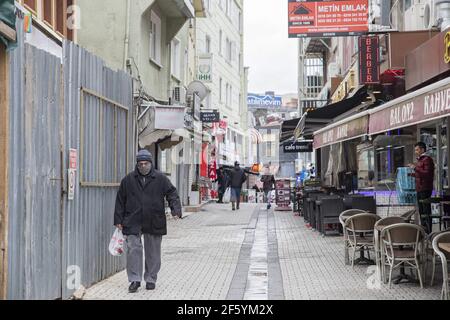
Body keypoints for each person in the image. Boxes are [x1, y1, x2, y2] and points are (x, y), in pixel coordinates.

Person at [114, 149, 182, 293]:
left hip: (154, 218)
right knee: (134, 249)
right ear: (137, 164)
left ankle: (151, 278)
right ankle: (135, 279)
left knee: (153, 251)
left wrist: (175, 209)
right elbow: (120, 200)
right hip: (133, 219)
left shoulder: (160, 178)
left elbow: (172, 193)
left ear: (151, 163)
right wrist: (118, 219)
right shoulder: (128, 180)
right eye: (140, 164)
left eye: (146, 163)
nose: (143, 166)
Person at [409, 142, 435, 234]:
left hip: (425, 188)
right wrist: (411, 174)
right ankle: (424, 231)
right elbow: (421, 174)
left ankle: (428, 231)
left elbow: (427, 174)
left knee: (426, 211)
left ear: (423, 149)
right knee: (421, 211)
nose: (416, 151)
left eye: (417, 149)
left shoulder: (427, 159)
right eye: (415, 150)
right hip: (420, 188)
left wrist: (415, 168)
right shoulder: (420, 160)